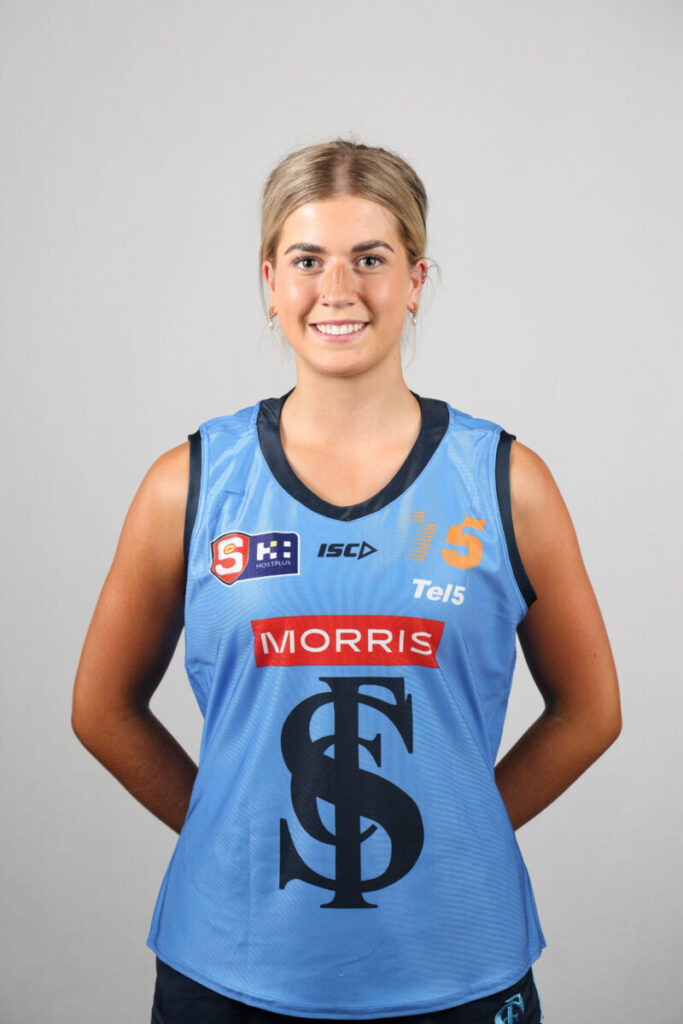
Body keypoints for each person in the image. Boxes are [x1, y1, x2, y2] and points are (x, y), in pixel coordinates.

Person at [72, 139, 621, 1024]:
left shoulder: (504, 482)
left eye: (369, 259)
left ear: (415, 280)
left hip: (457, 962)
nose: (337, 289)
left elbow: (591, 711)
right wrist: (232, 832)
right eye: (306, 260)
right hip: (231, 964)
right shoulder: (191, 482)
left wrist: (457, 829)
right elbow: (100, 708)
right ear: (269, 281)